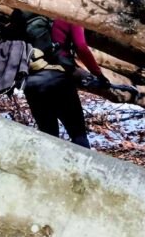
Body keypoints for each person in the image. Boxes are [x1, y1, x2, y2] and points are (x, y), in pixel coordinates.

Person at [17, 12, 108, 149]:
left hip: (31, 82)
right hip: (58, 81)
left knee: (48, 136)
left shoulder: (32, 17)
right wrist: (98, 74)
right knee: (78, 135)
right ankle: (82, 169)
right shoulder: (71, 15)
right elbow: (81, 46)